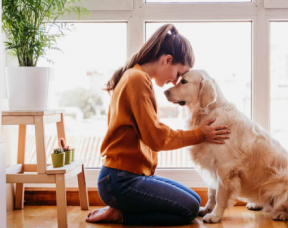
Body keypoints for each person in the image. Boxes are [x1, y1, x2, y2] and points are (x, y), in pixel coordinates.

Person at [85, 24, 230, 226]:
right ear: (167, 60)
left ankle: (120, 206)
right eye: (179, 74)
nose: (175, 82)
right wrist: (200, 134)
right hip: (120, 180)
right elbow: (156, 138)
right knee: (188, 209)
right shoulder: (136, 80)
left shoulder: (137, 77)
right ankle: (121, 214)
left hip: (129, 177)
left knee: (195, 201)